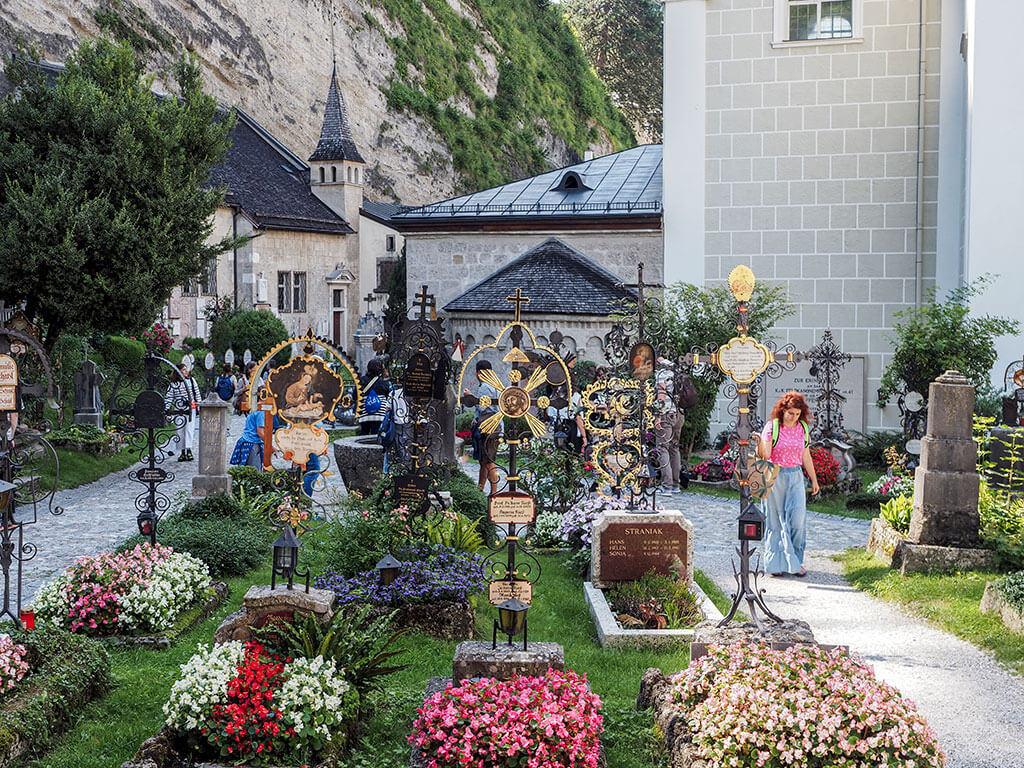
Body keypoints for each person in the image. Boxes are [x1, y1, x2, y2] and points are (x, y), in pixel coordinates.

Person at [756, 390, 819, 577]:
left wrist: (814, 479)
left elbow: (805, 455)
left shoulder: (803, 429)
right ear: (783, 410)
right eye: (791, 413)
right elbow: (766, 455)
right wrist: (762, 441)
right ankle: (775, 565)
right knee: (774, 522)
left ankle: (796, 562)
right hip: (775, 476)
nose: (794, 417)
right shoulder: (772, 427)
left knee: (797, 520)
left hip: (796, 476)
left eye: (798, 414)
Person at [464, 359, 502, 494]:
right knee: (484, 461)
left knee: (489, 462)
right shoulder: (495, 385)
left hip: (487, 427)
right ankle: (479, 490)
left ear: (479, 373)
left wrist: (470, 397)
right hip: (494, 426)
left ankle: (494, 493)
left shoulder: (485, 386)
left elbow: (482, 407)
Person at [654, 357, 684, 492]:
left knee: (663, 448)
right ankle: (676, 485)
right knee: (674, 448)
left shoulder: (662, 373)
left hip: (666, 414)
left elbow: (661, 396)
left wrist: (657, 417)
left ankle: (667, 486)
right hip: (679, 414)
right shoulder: (676, 370)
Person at [166, 363, 201, 461]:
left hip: (190, 410)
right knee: (180, 431)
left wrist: (199, 407)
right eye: (184, 369)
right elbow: (169, 397)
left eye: (186, 369)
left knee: (189, 430)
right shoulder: (173, 384)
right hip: (178, 410)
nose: (186, 371)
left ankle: (189, 450)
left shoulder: (191, 381)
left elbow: (197, 394)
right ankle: (182, 452)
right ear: (178, 371)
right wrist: (166, 409)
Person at [358, 358, 391, 436]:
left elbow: (355, 395)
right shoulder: (384, 382)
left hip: (364, 413)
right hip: (380, 414)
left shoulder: (362, 380)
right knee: (377, 435)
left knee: (364, 433)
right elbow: (389, 397)